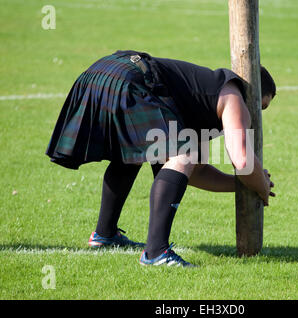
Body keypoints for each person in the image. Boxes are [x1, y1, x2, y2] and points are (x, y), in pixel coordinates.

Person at [46, 50, 276, 267]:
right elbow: (243, 162)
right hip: (129, 78)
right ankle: (156, 252)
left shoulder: (202, 102)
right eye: (262, 106)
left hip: (103, 72)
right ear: (254, 96)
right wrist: (261, 186)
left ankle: (104, 234)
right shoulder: (234, 98)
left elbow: (196, 172)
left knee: (134, 153)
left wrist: (244, 186)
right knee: (183, 154)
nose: (258, 115)